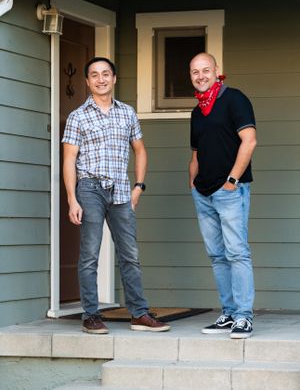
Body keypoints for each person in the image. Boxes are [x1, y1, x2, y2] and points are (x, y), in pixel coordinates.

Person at [62, 57, 170, 334]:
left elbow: (140, 150)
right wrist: (72, 199)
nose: (101, 79)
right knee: (90, 254)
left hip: (122, 190)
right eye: (95, 75)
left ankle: (139, 313)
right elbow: (69, 159)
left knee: (130, 254)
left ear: (114, 78)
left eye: (106, 74)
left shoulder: (127, 113)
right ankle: (91, 315)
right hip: (89, 188)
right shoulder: (78, 116)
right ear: (87, 81)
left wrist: (139, 186)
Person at [189, 52, 257, 339]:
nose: (201, 75)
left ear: (217, 71)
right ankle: (229, 313)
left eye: (206, 70)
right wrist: (192, 181)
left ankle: (244, 316)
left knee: (237, 253)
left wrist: (232, 180)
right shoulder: (197, 111)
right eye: (195, 71)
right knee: (217, 256)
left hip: (229, 191)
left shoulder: (234, 98)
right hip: (203, 193)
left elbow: (249, 140)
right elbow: (196, 152)